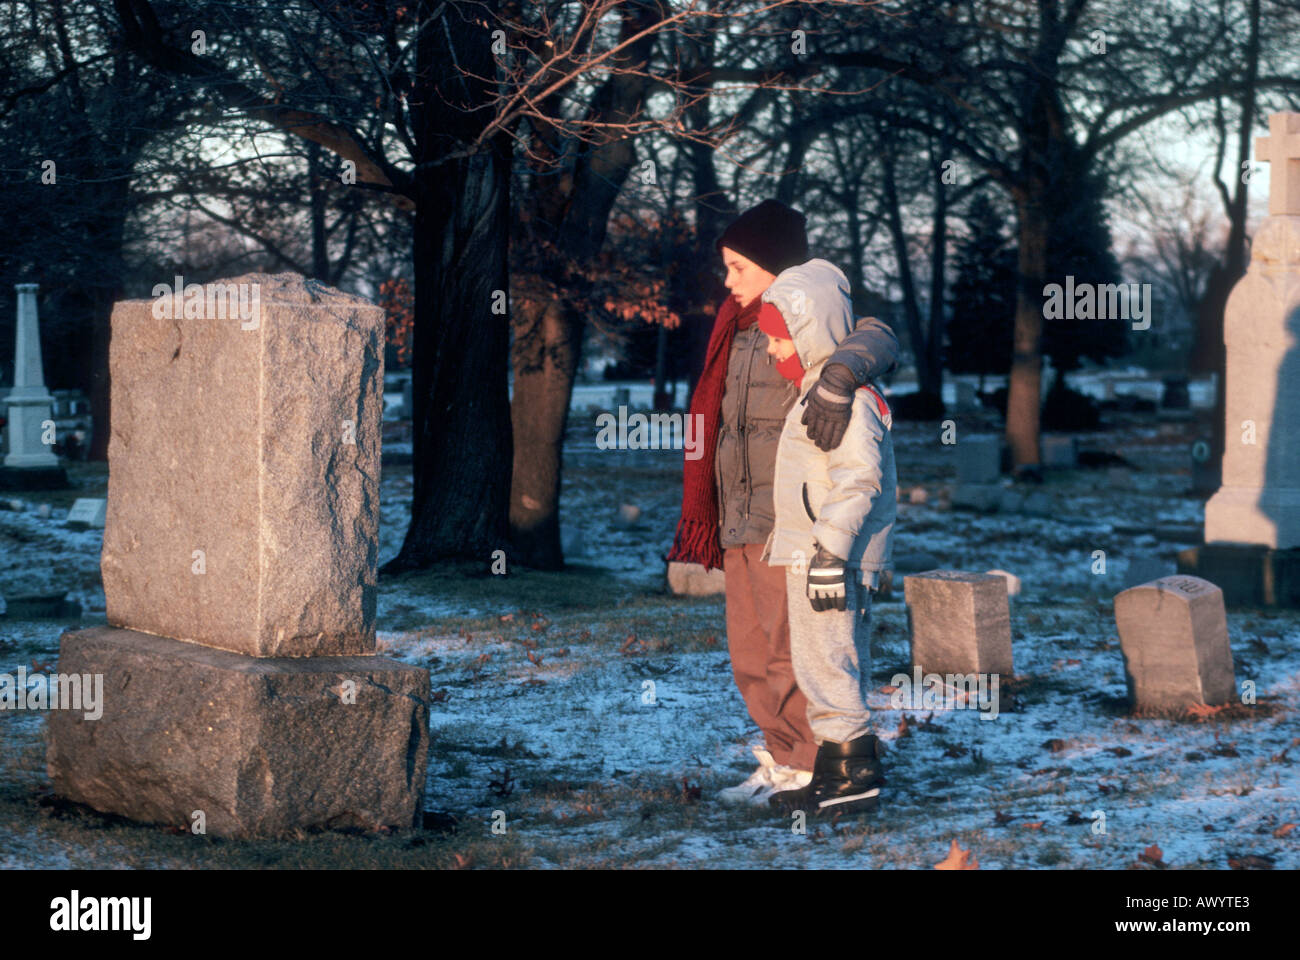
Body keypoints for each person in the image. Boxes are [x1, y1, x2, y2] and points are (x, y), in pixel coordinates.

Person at [665, 199, 899, 806]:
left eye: (738, 267)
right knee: (749, 651)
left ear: (774, 267)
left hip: (789, 519)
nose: (728, 280)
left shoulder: (810, 320)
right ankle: (780, 754)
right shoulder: (735, 326)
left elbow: (879, 334)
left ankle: (809, 761)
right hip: (736, 511)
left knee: (789, 649)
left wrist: (843, 373)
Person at [758, 257, 897, 817]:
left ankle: (855, 776)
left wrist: (829, 552)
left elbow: (860, 478)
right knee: (821, 662)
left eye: (780, 339)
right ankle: (835, 769)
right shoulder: (818, 390)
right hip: (818, 552)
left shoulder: (846, 399)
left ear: (808, 330)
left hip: (829, 556)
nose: (772, 352)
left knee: (829, 662)